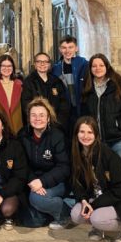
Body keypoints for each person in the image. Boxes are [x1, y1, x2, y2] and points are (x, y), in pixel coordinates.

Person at [70, 116, 121, 242]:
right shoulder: (77, 154)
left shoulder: (109, 156)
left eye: (90, 132)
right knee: (75, 214)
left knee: (96, 218)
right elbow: (76, 183)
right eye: (82, 131)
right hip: (96, 199)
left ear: (96, 135)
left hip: (118, 202)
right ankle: (98, 228)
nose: (85, 136)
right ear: (76, 134)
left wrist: (94, 205)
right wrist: (84, 201)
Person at [81, 53, 121, 178]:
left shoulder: (120, 85)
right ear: (90, 69)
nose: (98, 68)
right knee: (102, 177)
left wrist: (117, 123)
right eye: (94, 66)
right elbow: (85, 112)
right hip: (99, 141)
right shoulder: (87, 87)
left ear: (107, 67)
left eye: (101, 65)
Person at [17, 97, 70, 229]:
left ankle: (65, 212)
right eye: (33, 115)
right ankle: (50, 212)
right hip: (32, 182)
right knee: (31, 221)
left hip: (56, 182)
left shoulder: (57, 136)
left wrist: (42, 182)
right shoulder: (22, 135)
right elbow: (22, 164)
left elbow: (63, 168)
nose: (37, 118)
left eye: (42, 115)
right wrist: (33, 180)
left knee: (36, 199)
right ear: (29, 118)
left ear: (48, 118)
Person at [21, 52, 70, 138]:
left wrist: (57, 122)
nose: (42, 64)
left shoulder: (56, 81)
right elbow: (26, 104)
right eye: (39, 61)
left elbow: (64, 103)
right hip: (36, 126)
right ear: (35, 65)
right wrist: (39, 120)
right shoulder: (28, 82)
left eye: (45, 61)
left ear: (49, 64)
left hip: (56, 125)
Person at [51, 36, 88, 130]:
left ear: (76, 48)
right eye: (64, 48)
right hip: (65, 111)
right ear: (60, 49)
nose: (67, 51)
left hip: (82, 108)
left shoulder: (84, 64)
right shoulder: (56, 68)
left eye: (70, 47)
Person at [0, 54, 23, 136]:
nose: (6, 68)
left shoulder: (20, 85)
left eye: (9, 66)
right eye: (3, 66)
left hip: (18, 127)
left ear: (13, 68)